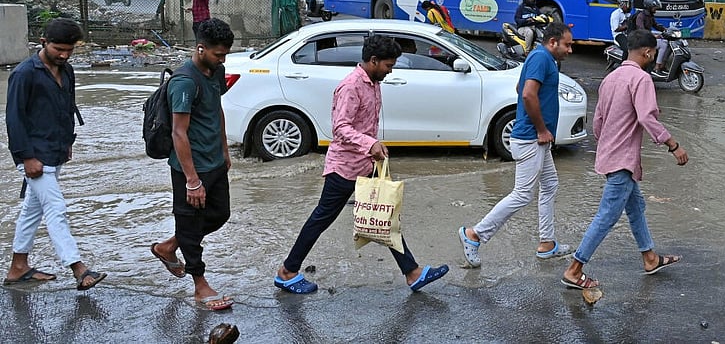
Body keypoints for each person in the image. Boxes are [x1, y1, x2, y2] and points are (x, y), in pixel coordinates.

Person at [273, 35, 450, 294]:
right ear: (374, 61)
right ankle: (287, 271)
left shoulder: (373, 81)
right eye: (389, 66)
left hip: (365, 163)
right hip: (344, 167)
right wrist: (370, 144)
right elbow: (340, 128)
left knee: (384, 214)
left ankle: (412, 272)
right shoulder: (351, 86)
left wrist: (374, 147)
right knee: (321, 219)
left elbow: (362, 124)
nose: (391, 71)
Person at [561, 29, 689, 290]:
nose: (653, 57)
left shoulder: (611, 78)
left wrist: (607, 143)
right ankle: (574, 269)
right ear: (647, 52)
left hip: (610, 155)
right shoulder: (641, 79)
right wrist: (672, 145)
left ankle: (650, 258)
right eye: (653, 53)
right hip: (623, 159)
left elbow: (597, 120)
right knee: (607, 216)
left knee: (636, 207)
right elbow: (646, 118)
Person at [459, 23, 575, 267]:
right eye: (568, 44)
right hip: (530, 138)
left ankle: (547, 243)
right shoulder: (542, 58)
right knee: (522, 194)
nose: (570, 49)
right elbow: (527, 94)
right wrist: (542, 129)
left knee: (550, 185)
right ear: (553, 42)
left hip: (535, 138)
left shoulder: (541, 59)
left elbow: (519, 87)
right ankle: (475, 234)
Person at [5, 18, 106, 291]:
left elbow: (67, 107)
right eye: (58, 49)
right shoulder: (24, 73)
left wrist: (68, 142)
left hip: (55, 149)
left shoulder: (67, 70)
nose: (63, 55)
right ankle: (78, 268)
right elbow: (13, 120)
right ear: (43, 43)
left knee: (32, 210)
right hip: (33, 155)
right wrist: (26, 157)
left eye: (69, 50)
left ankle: (18, 267)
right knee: (55, 209)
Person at [150, 18, 236, 311]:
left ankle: (169, 246)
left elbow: (216, 110)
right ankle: (200, 285)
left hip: (214, 161)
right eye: (217, 54)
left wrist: (225, 150)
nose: (222, 60)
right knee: (190, 221)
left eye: (225, 54)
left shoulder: (216, 71)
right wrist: (192, 180)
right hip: (190, 168)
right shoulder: (185, 81)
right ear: (200, 49)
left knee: (219, 214)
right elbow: (178, 132)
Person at [633, 0, 669, 76]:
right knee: (663, 44)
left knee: (668, 42)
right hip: (643, 40)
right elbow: (642, 30)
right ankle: (657, 68)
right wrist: (654, 36)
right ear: (649, 7)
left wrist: (665, 29)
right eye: (654, 8)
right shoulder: (641, 16)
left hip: (648, 38)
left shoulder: (650, 15)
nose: (655, 9)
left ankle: (662, 65)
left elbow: (655, 25)